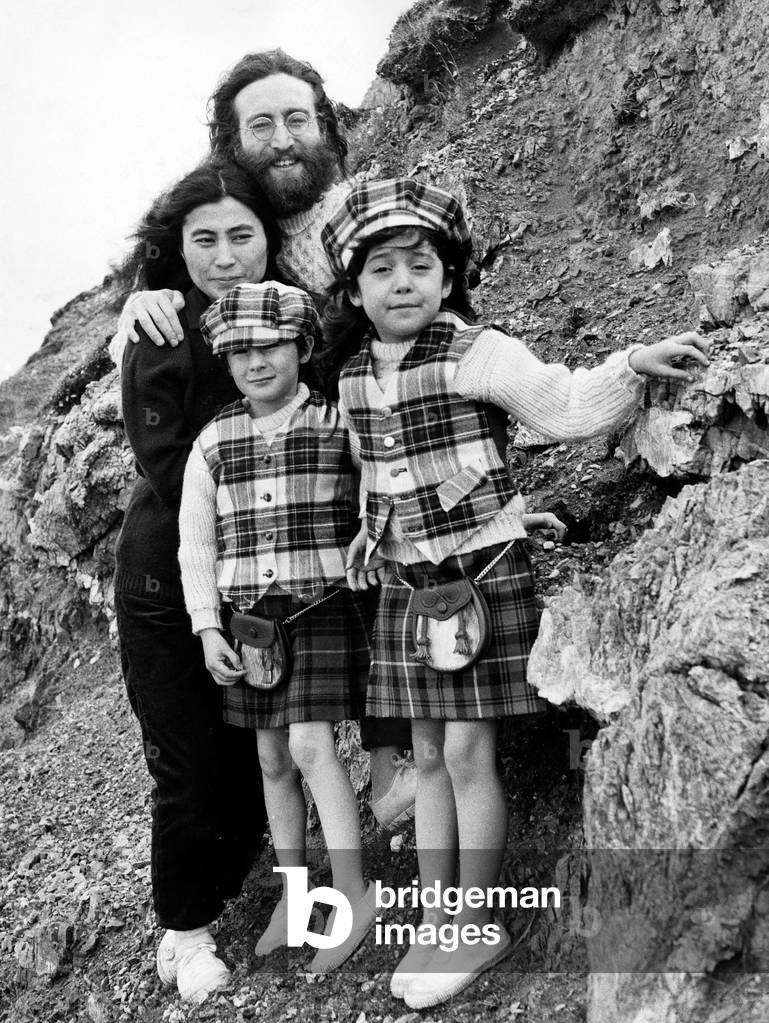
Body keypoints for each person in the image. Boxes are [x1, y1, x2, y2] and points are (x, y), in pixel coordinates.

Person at [320, 177, 711, 1009]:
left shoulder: (476, 350)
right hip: (405, 585)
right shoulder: (351, 375)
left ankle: (477, 920)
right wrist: (367, 527)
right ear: (351, 287)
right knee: (425, 753)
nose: (402, 283)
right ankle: (437, 915)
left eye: (419, 264)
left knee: (464, 753)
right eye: (381, 268)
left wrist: (629, 366)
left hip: (480, 578)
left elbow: (564, 405)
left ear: (447, 273)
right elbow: (374, 470)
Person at [110, 48, 415, 830]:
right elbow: (177, 265)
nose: (283, 139)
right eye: (261, 124)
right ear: (230, 142)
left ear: (327, 129)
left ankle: (385, 780)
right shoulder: (220, 246)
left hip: (353, 477)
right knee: (258, 741)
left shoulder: (353, 216)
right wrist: (138, 310)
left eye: (298, 119)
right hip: (230, 531)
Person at [115, 160, 285, 1003]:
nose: (225, 256)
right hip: (160, 577)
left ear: (269, 237)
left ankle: (232, 887)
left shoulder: (295, 316)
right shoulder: (158, 330)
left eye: (241, 235)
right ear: (177, 248)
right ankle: (182, 932)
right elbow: (170, 466)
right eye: (204, 239)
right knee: (183, 757)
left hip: (262, 571)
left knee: (256, 747)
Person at [178, 281, 376, 971]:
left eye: (268, 345)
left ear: (301, 344)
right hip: (249, 625)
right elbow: (196, 545)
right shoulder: (213, 440)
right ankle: (295, 892)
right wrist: (208, 627)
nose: (254, 361)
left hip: (320, 609)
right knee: (270, 757)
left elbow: (381, 486)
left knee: (311, 744)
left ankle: (352, 892)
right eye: (238, 352)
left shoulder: (335, 421)